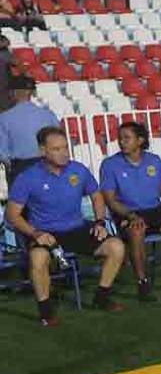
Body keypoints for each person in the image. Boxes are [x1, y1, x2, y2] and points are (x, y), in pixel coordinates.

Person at [5, 126, 127, 325]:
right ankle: (46, 313)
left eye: (65, 148)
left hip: (76, 229)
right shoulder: (27, 178)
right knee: (38, 258)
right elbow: (12, 216)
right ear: (42, 151)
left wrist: (99, 222)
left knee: (116, 246)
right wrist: (36, 234)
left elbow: (96, 196)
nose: (63, 154)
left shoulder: (78, 170)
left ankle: (101, 297)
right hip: (45, 232)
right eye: (56, 149)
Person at [100, 121, 161, 300]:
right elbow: (110, 200)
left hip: (155, 210)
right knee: (137, 230)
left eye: (126, 138)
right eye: (120, 138)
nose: (121, 142)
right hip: (127, 212)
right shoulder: (110, 165)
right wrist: (130, 215)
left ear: (140, 140)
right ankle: (142, 283)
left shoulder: (154, 160)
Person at [0, 75, 61, 186]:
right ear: (31, 93)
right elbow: (60, 144)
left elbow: (3, 154)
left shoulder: (4, 118)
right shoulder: (48, 115)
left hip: (20, 168)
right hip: (47, 165)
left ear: (13, 93)